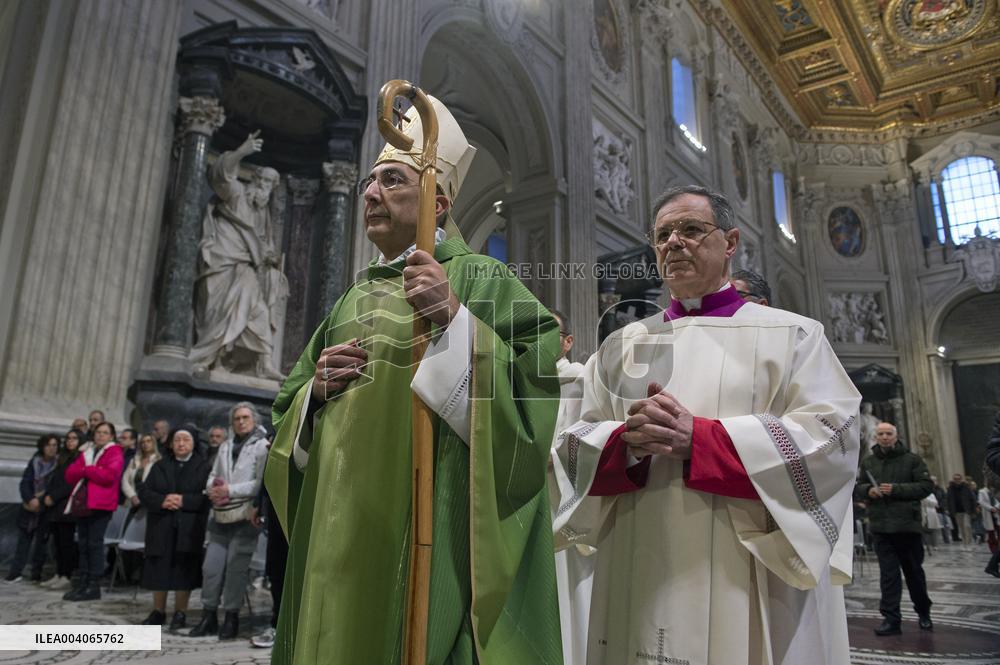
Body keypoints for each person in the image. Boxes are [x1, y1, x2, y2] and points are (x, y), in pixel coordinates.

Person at [265, 95, 561, 665]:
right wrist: (314, 393)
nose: (371, 194)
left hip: (427, 527)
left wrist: (455, 320)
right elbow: (288, 406)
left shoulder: (479, 277)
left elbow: (535, 387)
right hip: (338, 524)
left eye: (392, 180)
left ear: (438, 200)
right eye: (369, 185)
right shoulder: (353, 294)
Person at [551, 185, 861, 665]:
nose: (674, 242)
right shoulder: (620, 347)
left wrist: (702, 439)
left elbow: (832, 440)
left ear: (731, 242)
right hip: (640, 559)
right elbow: (572, 441)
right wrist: (625, 446)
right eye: (663, 235)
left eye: (692, 229)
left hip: (750, 565)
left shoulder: (793, 335)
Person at [189, 131, 286, 378]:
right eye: (263, 182)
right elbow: (220, 176)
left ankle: (263, 365)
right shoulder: (237, 195)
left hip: (247, 271)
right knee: (220, 315)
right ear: (254, 180)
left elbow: (264, 246)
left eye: (270, 186)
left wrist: (270, 257)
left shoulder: (263, 214)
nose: (265, 189)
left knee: (260, 314)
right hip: (222, 265)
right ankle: (213, 359)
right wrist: (243, 151)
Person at [188, 403, 269, 640]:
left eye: (245, 417)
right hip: (220, 515)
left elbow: (261, 482)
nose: (241, 422)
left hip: (244, 514)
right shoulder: (225, 445)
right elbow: (214, 475)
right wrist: (211, 489)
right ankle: (209, 614)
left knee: (236, 569)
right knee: (210, 568)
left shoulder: (262, 446)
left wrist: (229, 490)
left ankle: (231, 616)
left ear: (254, 420)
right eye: (236, 418)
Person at [544, 308, 592, 664]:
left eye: (548, 331)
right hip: (528, 501)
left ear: (568, 342)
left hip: (565, 502)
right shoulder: (516, 381)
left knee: (570, 597)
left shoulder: (580, 380)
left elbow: (589, 439)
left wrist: (544, 455)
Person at [856, 422, 934, 635]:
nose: (884, 437)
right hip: (881, 526)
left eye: (888, 433)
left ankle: (923, 613)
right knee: (888, 576)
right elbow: (859, 486)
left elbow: (926, 486)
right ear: (876, 437)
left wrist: (896, 489)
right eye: (880, 434)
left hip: (907, 526)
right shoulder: (869, 461)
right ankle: (891, 619)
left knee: (914, 573)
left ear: (896, 436)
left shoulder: (912, 460)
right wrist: (868, 490)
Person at [138, 428, 211, 631]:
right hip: (161, 524)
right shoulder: (160, 466)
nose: (181, 444)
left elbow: (207, 497)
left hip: (188, 527)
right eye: (177, 440)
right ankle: (158, 611)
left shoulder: (203, 467)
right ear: (170, 444)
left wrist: (183, 500)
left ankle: (180, 612)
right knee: (158, 568)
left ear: (194, 443)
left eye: (186, 440)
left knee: (183, 569)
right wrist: (163, 500)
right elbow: (144, 491)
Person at [62, 421, 124, 601]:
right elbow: (69, 474)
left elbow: (108, 476)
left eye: (105, 433)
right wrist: (91, 470)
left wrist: (86, 470)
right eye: (98, 432)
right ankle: (83, 582)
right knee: (83, 544)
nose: (100, 435)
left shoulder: (115, 452)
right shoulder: (88, 451)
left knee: (94, 544)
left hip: (101, 505)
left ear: (111, 436)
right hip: (84, 503)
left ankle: (93, 585)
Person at [5, 435, 59, 583]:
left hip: (46, 509)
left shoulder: (59, 464)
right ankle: (15, 572)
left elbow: (54, 486)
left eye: (54, 445)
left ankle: (37, 574)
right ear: (42, 447)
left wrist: (40, 499)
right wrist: (30, 499)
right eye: (48, 445)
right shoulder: (34, 462)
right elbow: (25, 482)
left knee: (41, 543)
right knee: (23, 541)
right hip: (29, 508)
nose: (51, 448)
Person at [39, 429, 84, 590]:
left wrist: (54, 496)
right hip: (56, 506)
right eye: (69, 438)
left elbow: (72, 483)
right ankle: (58, 573)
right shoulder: (63, 458)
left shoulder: (80, 458)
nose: (70, 441)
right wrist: (48, 495)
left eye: (74, 438)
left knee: (66, 542)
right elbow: (55, 479)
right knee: (57, 542)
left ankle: (66, 575)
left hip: (68, 505)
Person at [947, 473, 977, 549]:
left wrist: (973, 510)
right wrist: (950, 511)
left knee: (967, 526)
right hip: (957, 511)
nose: (957, 480)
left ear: (961, 479)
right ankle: (964, 543)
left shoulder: (966, 487)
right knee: (961, 528)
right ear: (953, 480)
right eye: (955, 479)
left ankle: (969, 543)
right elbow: (949, 500)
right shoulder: (950, 488)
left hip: (966, 510)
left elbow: (972, 499)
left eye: (958, 479)